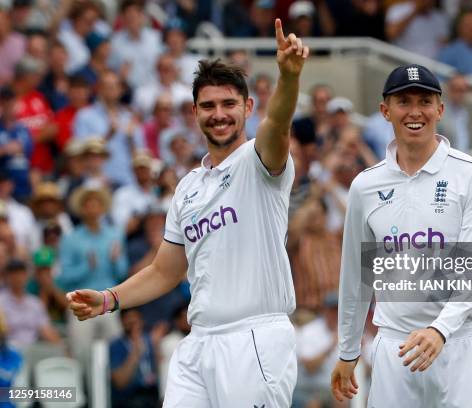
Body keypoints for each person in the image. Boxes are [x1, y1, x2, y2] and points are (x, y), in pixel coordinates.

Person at [66, 19, 309, 407]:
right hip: (198, 343)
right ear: (194, 112)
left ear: (247, 107)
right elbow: (165, 270)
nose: (219, 114)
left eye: (229, 104)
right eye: (208, 106)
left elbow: (278, 123)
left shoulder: (258, 161)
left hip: (254, 340)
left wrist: (288, 77)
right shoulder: (188, 186)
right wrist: (109, 299)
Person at [331, 64, 472, 407]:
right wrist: (348, 351)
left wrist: (440, 330)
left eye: (425, 101)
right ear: (385, 111)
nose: (415, 112)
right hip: (394, 350)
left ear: (440, 109)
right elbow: (356, 276)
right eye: (403, 101)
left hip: (460, 345)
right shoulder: (365, 185)